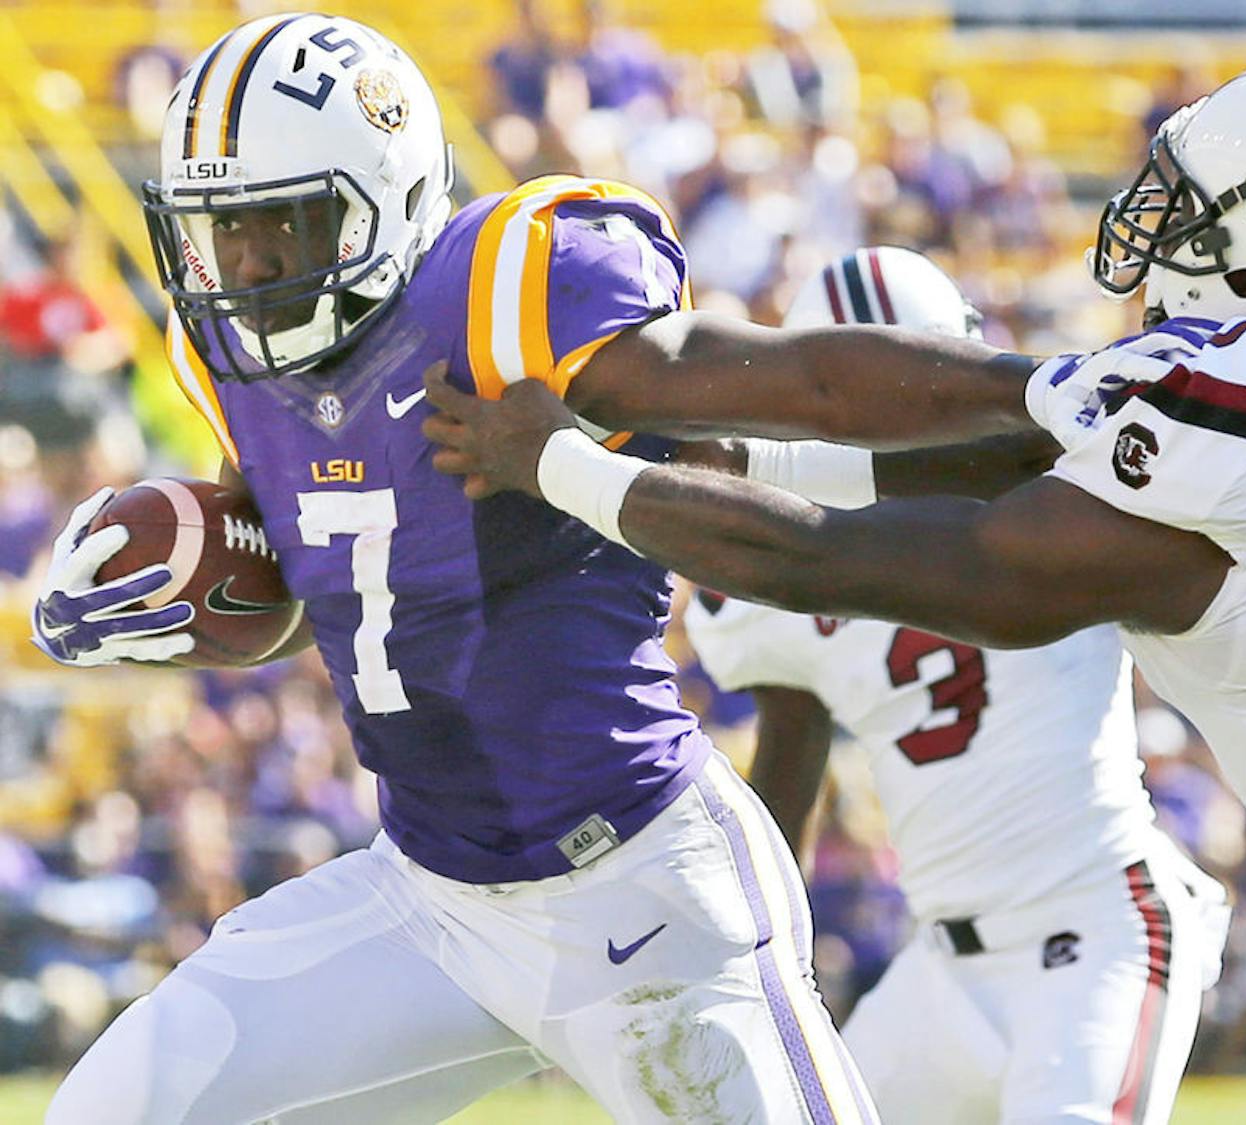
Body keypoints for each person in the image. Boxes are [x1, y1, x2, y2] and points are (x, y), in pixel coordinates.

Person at [422, 60, 1246, 1118]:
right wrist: (700, 438)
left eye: (1190, 206)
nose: (1153, 222)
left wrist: (565, 468)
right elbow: (970, 419)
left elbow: (863, 560)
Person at [35, 14, 895, 1122]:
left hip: (640, 882)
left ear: (380, 199)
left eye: (279, 225)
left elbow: (789, 393)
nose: (242, 265)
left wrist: (1021, 403)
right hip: (430, 899)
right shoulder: (228, 356)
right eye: (219, 231)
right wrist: (166, 595)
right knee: (120, 1106)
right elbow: (329, 571)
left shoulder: (497, 295)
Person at [683, 246, 1230, 1124]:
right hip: (939, 961)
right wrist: (757, 957)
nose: (889, 412)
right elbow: (792, 752)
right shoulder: (779, 558)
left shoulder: (1057, 487)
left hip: (1096, 928)